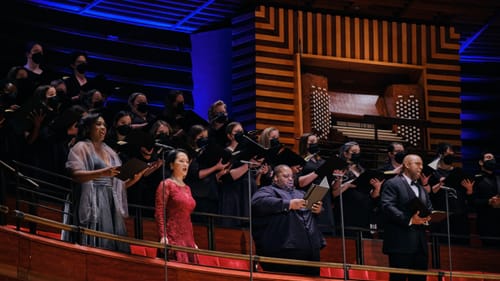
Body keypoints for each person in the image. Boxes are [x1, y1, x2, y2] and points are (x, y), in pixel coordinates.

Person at [65, 113, 145, 253]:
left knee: (112, 243)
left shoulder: (109, 151)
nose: (103, 128)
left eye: (104, 125)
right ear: (88, 127)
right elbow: (75, 175)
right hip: (92, 199)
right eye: (98, 124)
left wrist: (134, 179)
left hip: (109, 201)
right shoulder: (81, 147)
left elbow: (116, 187)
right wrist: (102, 173)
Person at [251, 164, 325, 276]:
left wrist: (318, 209)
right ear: (275, 177)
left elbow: (316, 211)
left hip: (310, 249)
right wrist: (289, 204)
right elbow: (258, 203)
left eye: (292, 176)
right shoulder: (267, 190)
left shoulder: (301, 193)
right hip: (284, 248)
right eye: (286, 176)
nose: (290, 179)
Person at [380, 154, 432, 281]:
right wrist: (409, 219)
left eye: (422, 165)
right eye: (417, 164)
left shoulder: (422, 189)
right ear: (407, 165)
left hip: (420, 245)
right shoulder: (392, 183)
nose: (421, 167)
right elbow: (387, 206)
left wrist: (428, 218)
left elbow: (429, 208)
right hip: (400, 243)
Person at [155, 149, 198, 263]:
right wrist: (163, 235)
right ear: (171, 165)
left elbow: (187, 218)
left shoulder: (187, 188)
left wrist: (192, 241)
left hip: (187, 237)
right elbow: (159, 212)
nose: (185, 164)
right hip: (172, 235)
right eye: (181, 161)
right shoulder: (166, 184)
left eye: (187, 162)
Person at [472, 151, 500, 247]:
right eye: (488, 158)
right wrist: (488, 201)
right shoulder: (475, 179)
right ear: (481, 162)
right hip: (486, 223)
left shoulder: (499, 179)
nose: (491, 160)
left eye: (493, 158)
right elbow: (472, 202)